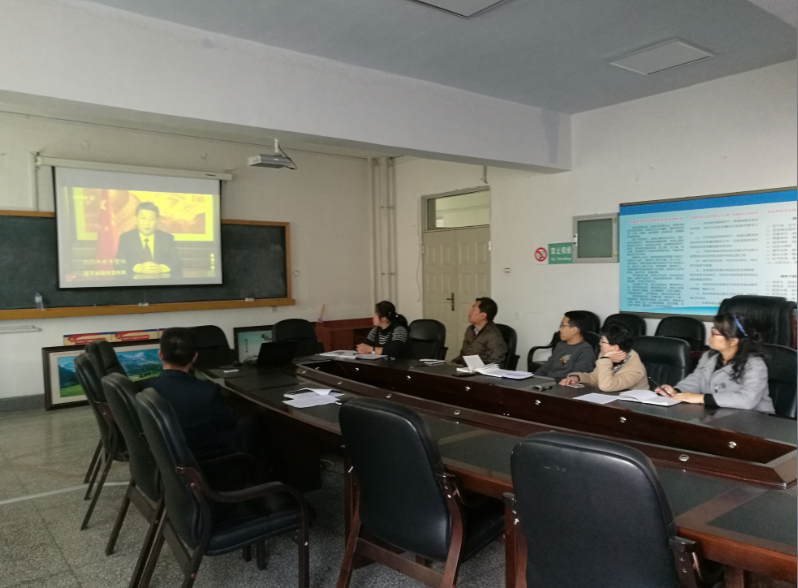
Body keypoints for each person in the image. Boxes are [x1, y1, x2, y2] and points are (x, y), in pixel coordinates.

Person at [146, 327, 255, 457]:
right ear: (194, 357)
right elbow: (230, 422)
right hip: (210, 456)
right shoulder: (207, 391)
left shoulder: (142, 387)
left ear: (160, 355)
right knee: (250, 424)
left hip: (164, 456)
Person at [655, 313, 773, 412]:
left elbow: (747, 400)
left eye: (715, 333)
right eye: (712, 330)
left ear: (733, 341)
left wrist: (702, 398)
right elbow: (695, 381)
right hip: (718, 414)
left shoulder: (755, 364)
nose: (710, 335)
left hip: (755, 419)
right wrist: (676, 391)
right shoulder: (709, 356)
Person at [560, 324, 648, 391]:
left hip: (632, 407)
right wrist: (577, 378)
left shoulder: (636, 370)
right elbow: (596, 378)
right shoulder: (605, 354)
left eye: (603, 341)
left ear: (615, 348)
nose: (599, 344)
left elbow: (606, 386)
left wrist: (605, 360)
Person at [115, 202, 183, 277]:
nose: (147, 223)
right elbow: (119, 263)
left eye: (151, 219)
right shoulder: (126, 238)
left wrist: (162, 268)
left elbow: (177, 262)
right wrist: (138, 268)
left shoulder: (167, 238)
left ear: (157, 221)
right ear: (136, 219)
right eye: (143, 218)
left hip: (160, 281)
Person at [534, 311, 596, 379]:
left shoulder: (585, 350)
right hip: (550, 381)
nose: (560, 329)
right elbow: (547, 367)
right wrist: (534, 378)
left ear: (574, 330)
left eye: (562, 325)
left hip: (564, 383)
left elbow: (578, 377)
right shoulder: (560, 345)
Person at [452, 297, 508, 367]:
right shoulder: (470, 329)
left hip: (481, 372)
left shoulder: (493, 335)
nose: (469, 311)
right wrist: (452, 362)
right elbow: (463, 355)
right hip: (466, 369)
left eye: (473, 309)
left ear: (482, 316)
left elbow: (496, 364)